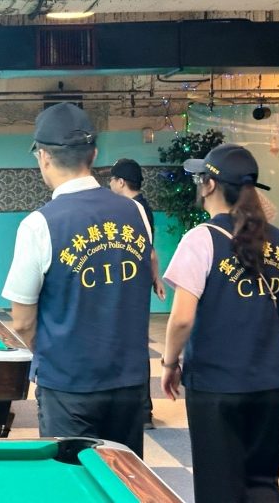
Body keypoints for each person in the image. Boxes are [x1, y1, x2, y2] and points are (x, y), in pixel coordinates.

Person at [3, 102, 153, 458]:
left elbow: (22, 321)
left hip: (68, 386)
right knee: (123, 478)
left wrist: (56, 356)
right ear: (94, 154)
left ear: (43, 157)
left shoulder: (39, 224)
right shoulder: (136, 212)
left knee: (72, 478)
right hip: (129, 382)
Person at [161, 143, 279, 503]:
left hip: (216, 384)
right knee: (263, 484)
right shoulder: (278, 239)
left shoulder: (201, 239)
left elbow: (182, 319)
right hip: (269, 383)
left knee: (219, 486)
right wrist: (264, 346)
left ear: (209, 185)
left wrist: (169, 363)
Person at [109, 158, 166, 430]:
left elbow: (149, 252)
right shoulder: (142, 207)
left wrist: (155, 277)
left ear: (121, 182)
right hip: (135, 284)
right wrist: (156, 277)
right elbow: (151, 251)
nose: (110, 185)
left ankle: (143, 411)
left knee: (131, 344)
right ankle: (139, 409)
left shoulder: (133, 209)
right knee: (133, 343)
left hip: (130, 287)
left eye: (111, 180)